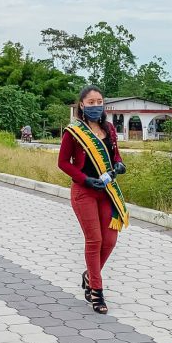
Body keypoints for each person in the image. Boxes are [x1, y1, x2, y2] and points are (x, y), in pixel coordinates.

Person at [57, 86, 128, 314]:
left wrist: (119, 163)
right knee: (94, 239)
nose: (96, 105)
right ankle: (96, 290)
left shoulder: (108, 128)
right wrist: (85, 180)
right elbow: (63, 162)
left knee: (109, 240)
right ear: (82, 105)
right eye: (91, 102)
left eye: (99, 101)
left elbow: (115, 154)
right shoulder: (74, 131)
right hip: (84, 191)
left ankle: (89, 275)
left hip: (107, 190)